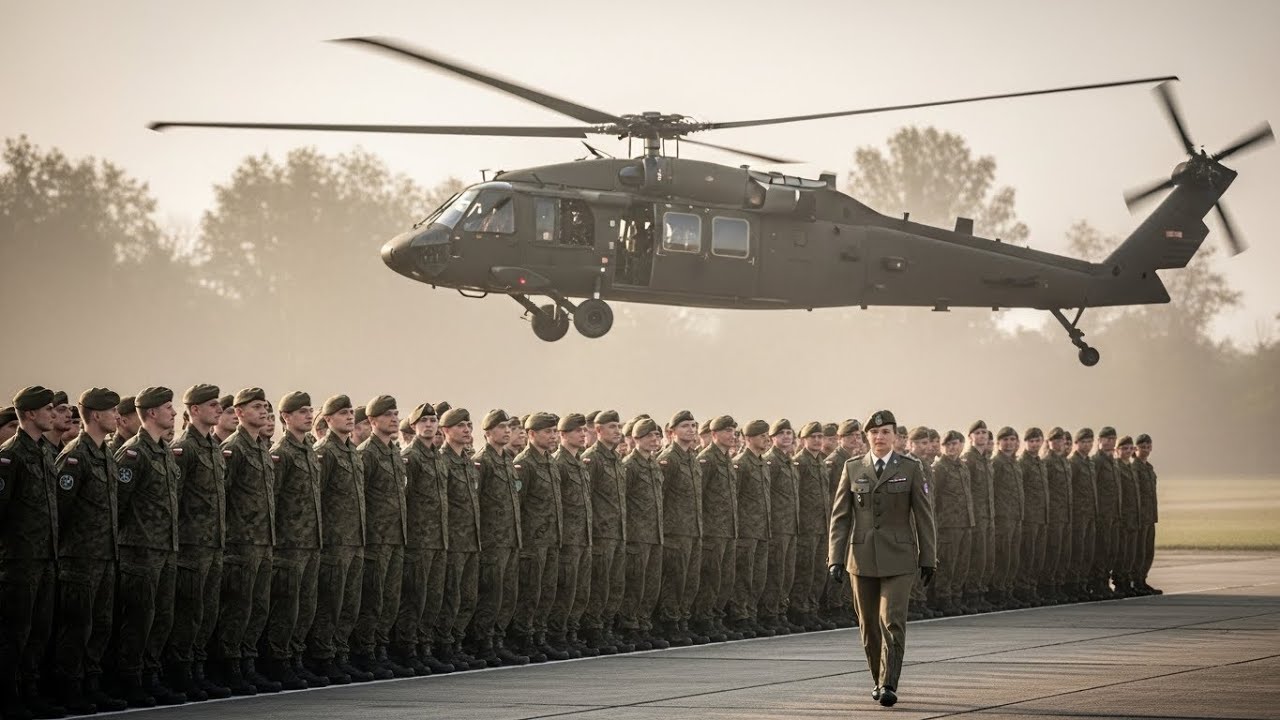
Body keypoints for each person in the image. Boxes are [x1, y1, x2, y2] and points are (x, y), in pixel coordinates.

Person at [828, 410, 936, 708]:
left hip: (900, 558)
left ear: (895, 436)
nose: (879, 437)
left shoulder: (911, 468)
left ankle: (889, 682)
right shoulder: (853, 468)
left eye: (885, 432)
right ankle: (877, 678)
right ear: (867, 436)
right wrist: (835, 558)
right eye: (874, 433)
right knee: (868, 626)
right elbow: (840, 517)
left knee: (892, 621)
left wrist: (929, 557)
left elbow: (924, 517)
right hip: (861, 559)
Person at [53, 388, 129, 714]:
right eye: (111, 411)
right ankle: (70, 688)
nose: (117, 415)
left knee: (100, 626)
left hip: (105, 557)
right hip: (81, 558)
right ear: (96, 415)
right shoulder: (76, 456)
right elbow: (60, 509)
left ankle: (91, 685)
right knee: (77, 627)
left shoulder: (106, 454)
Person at [114, 386, 187, 707]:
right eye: (168, 408)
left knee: (162, 618)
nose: (173, 413)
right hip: (139, 551)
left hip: (166, 550)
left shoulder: (163, 452)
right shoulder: (134, 453)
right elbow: (117, 503)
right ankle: (130, 680)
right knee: (139, 619)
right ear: (152, 413)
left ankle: (151, 677)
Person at [212, 388, 281, 695]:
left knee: (258, 607)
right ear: (239, 412)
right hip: (240, 544)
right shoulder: (233, 448)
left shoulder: (259, 448)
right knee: (237, 608)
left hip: (264, 542)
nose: (265, 411)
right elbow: (220, 498)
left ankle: (249, 665)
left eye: (266, 407)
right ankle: (230, 666)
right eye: (256, 407)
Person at [166, 384, 232, 702]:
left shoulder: (213, 448)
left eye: (219, 404)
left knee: (206, 613)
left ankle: (197, 671)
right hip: (192, 546)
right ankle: (181, 673)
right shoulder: (184, 448)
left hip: (214, 545)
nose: (218, 409)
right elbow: (173, 502)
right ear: (194, 410)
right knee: (189, 613)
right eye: (211, 404)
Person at [1, 387, 64, 719]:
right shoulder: (10, 456)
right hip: (19, 560)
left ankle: (31, 690)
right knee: (15, 632)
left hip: (46, 558)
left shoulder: (43, 453)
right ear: (29, 414)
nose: (52, 414)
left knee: (39, 631)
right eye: (47, 409)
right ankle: (10, 696)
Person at [306, 396, 371, 684]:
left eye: (350, 413)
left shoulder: (352, 452)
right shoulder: (325, 452)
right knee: (330, 602)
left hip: (356, 539)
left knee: (349, 603)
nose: (349, 417)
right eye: (342, 413)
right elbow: (316, 499)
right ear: (328, 419)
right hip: (334, 541)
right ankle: (323, 658)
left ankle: (341, 655)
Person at [265, 392, 326, 689]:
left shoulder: (309, 451)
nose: (308, 415)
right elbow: (272, 500)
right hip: (289, 544)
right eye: (301, 411)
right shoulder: (282, 452)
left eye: (310, 410)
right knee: (286, 607)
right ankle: (279, 662)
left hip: (312, 541)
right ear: (286, 417)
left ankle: (297, 660)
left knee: (305, 607)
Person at [392, 403, 455, 675]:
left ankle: (425, 648)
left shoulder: (438, 457)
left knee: (433, 598)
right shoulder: (410, 457)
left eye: (433, 420)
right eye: (424, 421)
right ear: (414, 426)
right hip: (418, 540)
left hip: (439, 539)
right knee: (415, 598)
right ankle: (408, 649)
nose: (429, 425)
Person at [352, 396, 412, 679]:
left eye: (396, 414)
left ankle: (381, 650)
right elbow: (359, 499)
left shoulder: (393, 453)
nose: (394, 418)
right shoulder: (367, 453)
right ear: (372, 421)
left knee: (390, 600)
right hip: (375, 540)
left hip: (396, 538)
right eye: (388, 415)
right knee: (373, 600)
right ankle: (366, 652)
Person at [471, 409, 529, 667]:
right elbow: (477, 504)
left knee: (507, 594)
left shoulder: (506, 459)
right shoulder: (483, 462)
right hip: (492, 541)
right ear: (487, 433)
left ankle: (498, 640)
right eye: (500, 427)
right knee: (491, 594)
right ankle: (483, 643)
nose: (506, 431)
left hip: (510, 538)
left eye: (508, 426)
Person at [513, 413, 569, 660]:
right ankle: (524, 639)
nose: (553, 435)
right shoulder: (524, 464)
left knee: (547, 592)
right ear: (531, 434)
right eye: (547, 431)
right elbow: (518, 504)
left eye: (554, 431)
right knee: (530, 592)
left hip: (551, 540)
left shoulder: (550, 462)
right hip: (532, 542)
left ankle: (539, 636)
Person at [436, 408, 486, 671]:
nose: (466, 429)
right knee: (451, 597)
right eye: (459, 425)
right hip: (452, 541)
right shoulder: (441, 460)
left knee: (468, 597)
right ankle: (445, 646)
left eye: (468, 424)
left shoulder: (468, 461)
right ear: (445, 431)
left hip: (471, 540)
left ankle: (457, 644)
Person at [582, 410, 629, 654]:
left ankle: (608, 628)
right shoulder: (593, 459)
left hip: (618, 532)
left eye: (618, 426)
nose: (617, 431)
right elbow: (586, 499)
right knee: (600, 584)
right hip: (601, 534)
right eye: (611, 427)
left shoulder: (615, 459)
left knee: (615, 584)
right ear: (598, 430)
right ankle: (594, 630)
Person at [551, 413, 597, 657]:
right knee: (566, 590)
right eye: (577, 431)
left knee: (580, 590)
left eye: (584, 430)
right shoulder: (559, 463)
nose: (583, 434)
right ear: (563, 435)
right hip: (568, 539)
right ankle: (559, 635)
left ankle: (571, 633)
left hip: (583, 537)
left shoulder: (579, 463)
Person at [657, 410, 705, 645]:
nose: (691, 429)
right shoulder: (669, 460)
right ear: (672, 431)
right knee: (674, 579)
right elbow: (660, 498)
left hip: (693, 529)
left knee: (690, 579)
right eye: (685, 426)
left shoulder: (692, 458)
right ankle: (670, 623)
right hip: (675, 531)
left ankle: (683, 621)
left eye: (693, 425)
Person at [620, 418, 667, 650]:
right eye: (649, 436)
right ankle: (630, 628)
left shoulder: (654, 464)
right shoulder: (630, 466)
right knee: (635, 583)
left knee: (651, 584)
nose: (654, 440)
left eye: (657, 436)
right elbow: (623, 502)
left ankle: (644, 625)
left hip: (655, 534)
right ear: (636, 439)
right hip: (637, 535)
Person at [694, 415, 740, 642]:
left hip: (728, 529)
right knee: (711, 577)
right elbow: (699, 497)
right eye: (727, 431)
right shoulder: (707, 459)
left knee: (725, 578)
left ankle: (716, 618)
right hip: (712, 531)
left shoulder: (726, 459)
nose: (732, 435)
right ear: (714, 434)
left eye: (733, 431)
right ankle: (704, 620)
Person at [730, 419, 773, 638]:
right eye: (761, 435)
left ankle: (752, 613)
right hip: (746, 530)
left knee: (758, 576)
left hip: (762, 529)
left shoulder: (763, 463)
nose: (766, 439)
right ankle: (740, 616)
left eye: (767, 435)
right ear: (748, 439)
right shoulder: (741, 464)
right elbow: (734, 499)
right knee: (744, 575)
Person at [762, 419, 801, 634]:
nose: (786, 436)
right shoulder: (771, 462)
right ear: (773, 437)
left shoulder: (789, 461)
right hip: (776, 527)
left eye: (789, 432)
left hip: (791, 526)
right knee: (775, 572)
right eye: (781, 433)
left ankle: (780, 612)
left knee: (787, 573)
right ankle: (770, 614)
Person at [792, 421, 832, 630]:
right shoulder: (800, 463)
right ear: (803, 440)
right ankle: (800, 610)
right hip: (806, 527)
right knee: (805, 570)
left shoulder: (821, 463)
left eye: (820, 437)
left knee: (819, 571)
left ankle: (812, 608)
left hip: (822, 526)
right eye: (812, 437)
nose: (817, 441)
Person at [930, 430, 974, 616]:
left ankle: (956, 597)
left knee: (962, 563)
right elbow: (935, 495)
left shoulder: (963, 467)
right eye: (948, 444)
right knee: (947, 563)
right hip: (948, 524)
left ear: (962, 445)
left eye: (955, 444)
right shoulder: (940, 468)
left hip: (965, 522)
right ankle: (944, 598)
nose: (952, 448)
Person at [990, 427, 1025, 609]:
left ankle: (1008, 591)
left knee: (1013, 556)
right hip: (1003, 517)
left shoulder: (1014, 463)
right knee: (1003, 556)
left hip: (1016, 516)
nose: (1009, 443)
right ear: (999, 443)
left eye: (1012, 439)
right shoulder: (997, 463)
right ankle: (999, 592)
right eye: (1005, 439)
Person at [962, 421, 995, 612]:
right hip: (974, 518)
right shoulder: (969, 460)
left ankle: (981, 593)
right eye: (978, 433)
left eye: (985, 433)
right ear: (971, 437)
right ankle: (972, 595)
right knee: (976, 557)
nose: (982, 436)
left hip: (988, 516)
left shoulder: (986, 460)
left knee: (986, 557)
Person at [1069, 429, 1098, 601]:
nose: (1087, 445)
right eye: (1083, 442)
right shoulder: (1074, 463)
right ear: (1077, 443)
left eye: (1089, 442)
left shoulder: (1090, 463)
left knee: (1088, 551)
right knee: (1077, 551)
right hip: (1078, 515)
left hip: (1090, 514)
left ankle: (1083, 584)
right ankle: (1075, 586)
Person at [1092, 427, 1122, 597]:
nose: (1110, 441)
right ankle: (1099, 584)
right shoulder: (1097, 461)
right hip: (1102, 514)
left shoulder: (1113, 461)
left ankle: (1105, 583)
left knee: (1111, 550)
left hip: (1113, 513)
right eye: (1106, 438)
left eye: (1113, 438)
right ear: (1100, 440)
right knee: (1101, 550)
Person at [1132, 434, 1161, 595]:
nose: (1146, 450)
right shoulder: (1134, 467)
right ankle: (1136, 580)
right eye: (1142, 447)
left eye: (1148, 446)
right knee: (1139, 550)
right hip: (1139, 516)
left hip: (1150, 515)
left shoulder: (1149, 468)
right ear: (1136, 448)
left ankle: (1142, 579)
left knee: (1148, 550)